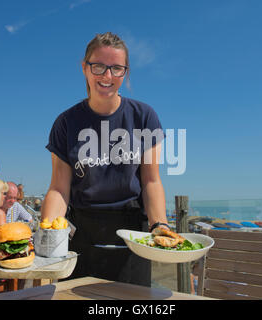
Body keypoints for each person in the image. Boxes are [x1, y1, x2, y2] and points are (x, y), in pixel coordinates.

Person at [41, 32, 169, 287]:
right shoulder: (66, 122)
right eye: (98, 66)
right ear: (84, 67)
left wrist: (160, 226)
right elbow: (58, 188)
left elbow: (151, 182)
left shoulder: (144, 117)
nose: (107, 76)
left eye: (116, 68)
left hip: (133, 236)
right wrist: (46, 236)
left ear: (126, 72)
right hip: (82, 237)